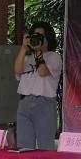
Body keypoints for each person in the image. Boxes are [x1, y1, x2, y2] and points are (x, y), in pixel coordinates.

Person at [13, 22, 62, 150]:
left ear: (48, 38)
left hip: (44, 103)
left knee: (45, 147)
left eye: (41, 36)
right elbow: (17, 70)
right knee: (23, 147)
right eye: (35, 36)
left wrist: (38, 52)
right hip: (24, 102)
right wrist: (24, 48)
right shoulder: (27, 58)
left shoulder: (54, 57)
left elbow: (42, 72)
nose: (37, 39)